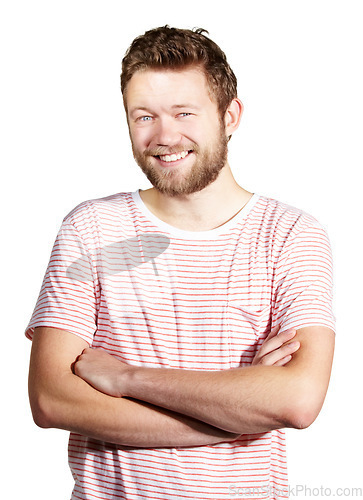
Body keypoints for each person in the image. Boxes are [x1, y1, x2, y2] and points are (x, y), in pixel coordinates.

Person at [27, 26, 335, 500]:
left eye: (183, 112)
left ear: (230, 116)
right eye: (144, 116)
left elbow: (295, 400)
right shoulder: (91, 228)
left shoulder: (291, 235)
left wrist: (128, 378)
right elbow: (52, 399)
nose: (164, 136)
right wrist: (227, 417)